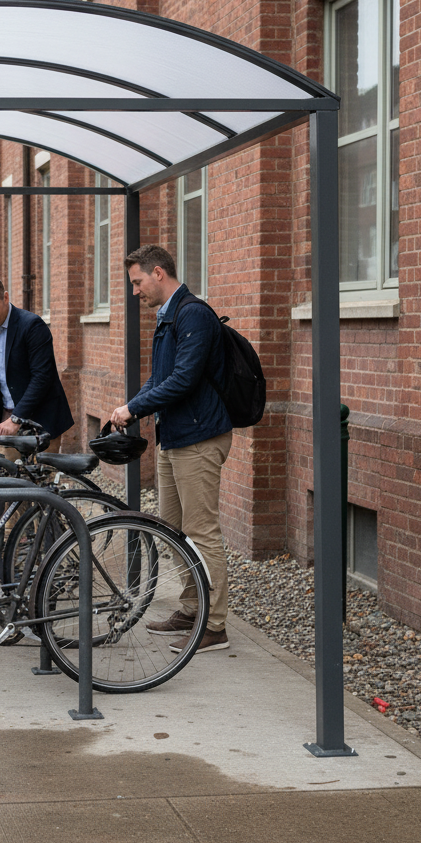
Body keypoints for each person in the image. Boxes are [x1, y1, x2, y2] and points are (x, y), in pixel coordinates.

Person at [110, 243, 233, 654]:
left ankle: (214, 626)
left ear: (158, 273)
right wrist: (132, 405)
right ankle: (192, 606)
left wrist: (135, 407)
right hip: (175, 437)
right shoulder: (168, 317)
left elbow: (183, 380)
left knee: (202, 530)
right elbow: (158, 379)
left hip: (198, 438)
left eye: (137, 282)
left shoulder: (193, 313)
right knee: (173, 528)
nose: (135, 291)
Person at [0, 275, 74, 451]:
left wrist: (17, 418)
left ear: (6, 298)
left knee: (41, 476)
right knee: (10, 475)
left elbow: (42, 377)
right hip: (7, 418)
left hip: (42, 418)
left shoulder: (32, 325)